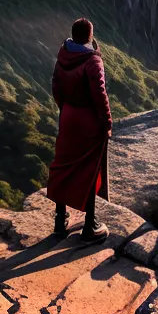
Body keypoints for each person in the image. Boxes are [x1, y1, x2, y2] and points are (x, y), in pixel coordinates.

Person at [46, 17, 112, 243]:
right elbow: (100, 95)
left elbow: (56, 85)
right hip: (88, 120)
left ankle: (60, 219)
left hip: (68, 116)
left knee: (63, 164)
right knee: (90, 170)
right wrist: (107, 123)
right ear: (90, 36)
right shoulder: (92, 61)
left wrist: (65, 110)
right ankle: (90, 227)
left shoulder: (63, 55)